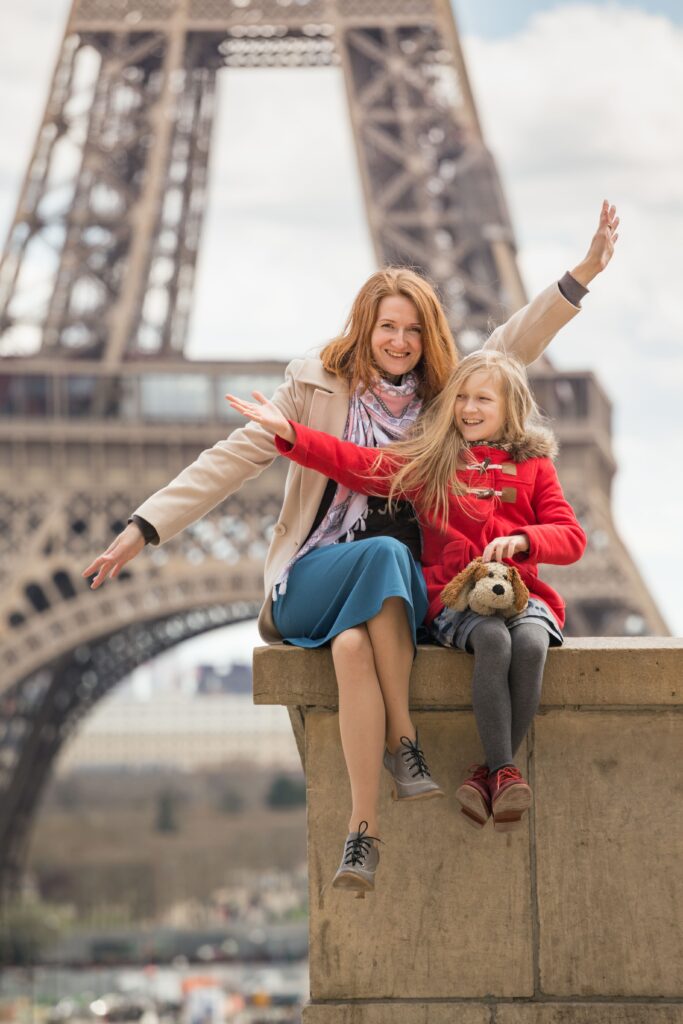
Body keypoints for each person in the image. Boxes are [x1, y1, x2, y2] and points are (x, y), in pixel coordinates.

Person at [83, 201, 618, 896]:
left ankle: (360, 832)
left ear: (428, 339)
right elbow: (229, 459)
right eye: (386, 327)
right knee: (386, 556)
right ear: (363, 329)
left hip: (390, 599)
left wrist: (578, 277)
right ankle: (405, 742)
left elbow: (511, 344)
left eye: (412, 330)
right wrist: (141, 528)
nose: (398, 341)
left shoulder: (442, 404)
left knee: (353, 646)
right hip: (318, 573)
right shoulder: (311, 390)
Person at [226, 348, 586, 847]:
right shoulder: (430, 463)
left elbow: (571, 536)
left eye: (483, 398)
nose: (469, 408)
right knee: (494, 644)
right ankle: (504, 770)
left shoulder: (536, 468)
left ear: (511, 407)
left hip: (523, 595)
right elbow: (358, 465)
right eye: (460, 396)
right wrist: (291, 433)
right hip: (457, 597)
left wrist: (526, 539)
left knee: (529, 645)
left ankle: (493, 773)